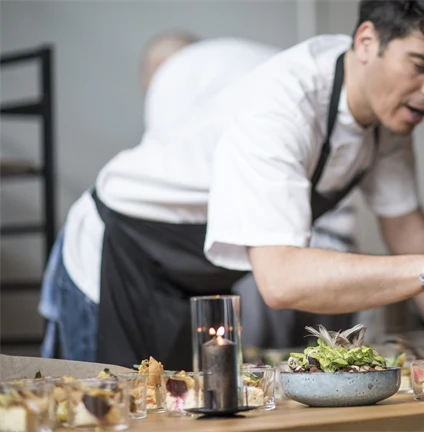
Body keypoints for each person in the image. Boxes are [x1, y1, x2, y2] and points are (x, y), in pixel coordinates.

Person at [91, 0, 424, 370]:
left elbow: (407, 230)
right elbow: (281, 281)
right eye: (421, 65)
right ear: (367, 42)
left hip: (193, 279)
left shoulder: (389, 118)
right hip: (119, 252)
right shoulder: (284, 105)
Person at [38, 33, 287, 360]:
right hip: (98, 267)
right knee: (93, 392)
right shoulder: (242, 87)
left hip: (133, 267)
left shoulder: (177, 76)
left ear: (161, 67)